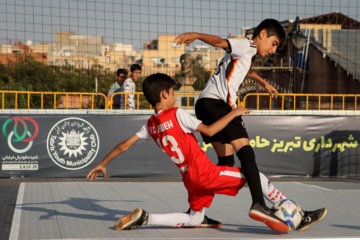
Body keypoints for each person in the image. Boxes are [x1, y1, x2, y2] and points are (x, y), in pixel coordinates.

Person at [87, 73, 325, 233]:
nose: (175, 96)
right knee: (258, 178)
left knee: (194, 218)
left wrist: (103, 164)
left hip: (190, 179)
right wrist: (233, 113)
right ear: (164, 95)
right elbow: (210, 129)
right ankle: (298, 214)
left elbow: (123, 145)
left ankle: (146, 218)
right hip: (206, 173)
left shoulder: (150, 125)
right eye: (172, 92)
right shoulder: (178, 114)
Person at [173, 18, 326, 231]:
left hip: (205, 105)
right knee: (247, 155)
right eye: (273, 43)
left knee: (225, 166)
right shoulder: (248, 44)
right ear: (262, 34)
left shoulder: (247, 54)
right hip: (219, 105)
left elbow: (246, 71)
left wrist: (264, 83)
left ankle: (196, 213)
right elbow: (219, 43)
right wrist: (197, 35)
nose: (273, 50)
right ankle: (259, 204)